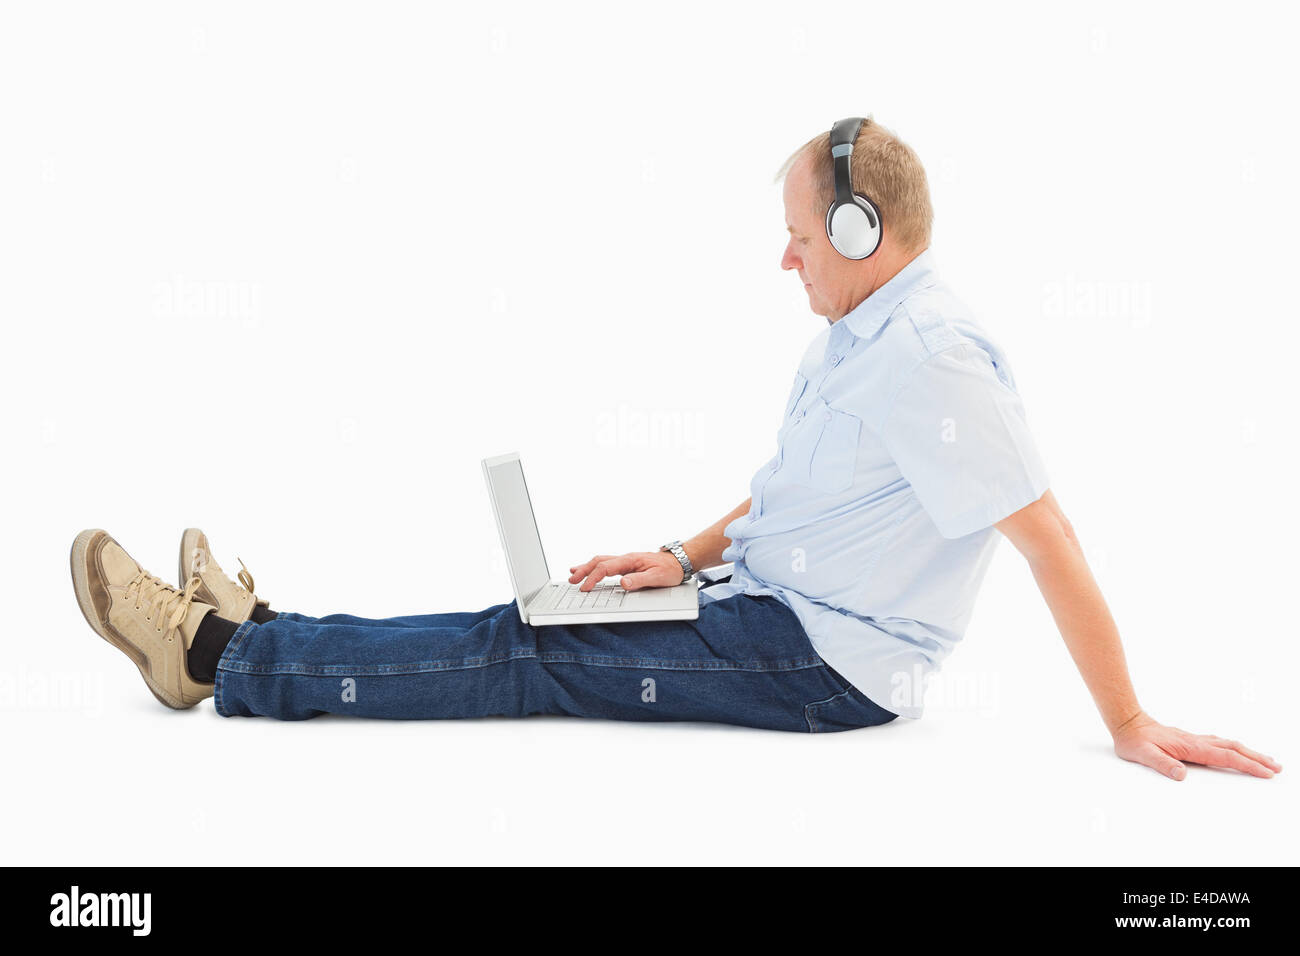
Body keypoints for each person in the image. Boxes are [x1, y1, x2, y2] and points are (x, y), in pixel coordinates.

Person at [68, 117, 1281, 781]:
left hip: (825, 664)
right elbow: (790, 491)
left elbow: (1047, 531)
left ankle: (223, 653)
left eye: (802, 234)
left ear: (861, 230)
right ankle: (276, 628)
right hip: (768, 599)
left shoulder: (934, 355)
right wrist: (675, 553)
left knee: (524, 644)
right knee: (554, 608)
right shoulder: (861, 329)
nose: (787, 256)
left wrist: (1128, 718)